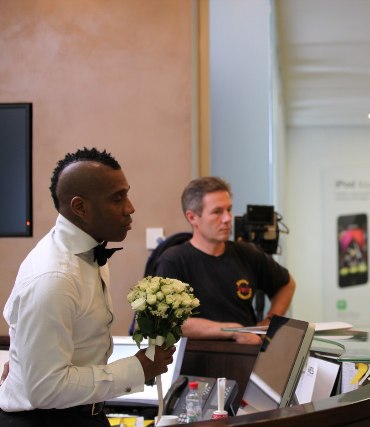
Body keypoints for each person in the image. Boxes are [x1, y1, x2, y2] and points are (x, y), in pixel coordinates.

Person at [0, 148, 174, 426]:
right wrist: (137, 369)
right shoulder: (53, 277)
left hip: (82, 415)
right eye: (117, 198)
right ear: (80, 208)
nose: (130, 208)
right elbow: (44, 389)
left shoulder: (88, 251)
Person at [153, 176, 296, 345]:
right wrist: (232, 331)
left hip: (248, 355)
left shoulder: (248, 253)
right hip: (198, 358)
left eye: (229, 209)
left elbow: (287, 284)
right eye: (217, 212)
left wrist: (270, 321)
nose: (227, 218)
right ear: (192, 218)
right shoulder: (174, 261)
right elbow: (169, 321)